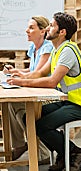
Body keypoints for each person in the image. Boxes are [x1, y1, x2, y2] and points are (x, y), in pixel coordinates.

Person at [8, 12, 81, 171]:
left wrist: (21, 82)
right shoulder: (57, 50)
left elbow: (51, 82)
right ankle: (65, 155)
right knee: (29, 118)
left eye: (51, 26)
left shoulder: (68, 51)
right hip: (69, 101)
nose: (48, 29)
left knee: (41, 126)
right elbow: (40, 73)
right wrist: (20, 74)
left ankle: (75, 153)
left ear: (62, 32)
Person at [3, 16, 53, 164]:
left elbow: (38, 73)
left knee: (21, 108)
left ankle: (42, 151)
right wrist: (16, 71)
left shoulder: (47, 48)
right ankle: (19, 145)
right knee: (12, 104)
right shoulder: (34, 48)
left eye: (31, 28)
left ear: (43, 31)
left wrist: (20, 77)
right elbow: (30, 69)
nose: (27, 30)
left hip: (45, 94)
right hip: (35, 90)